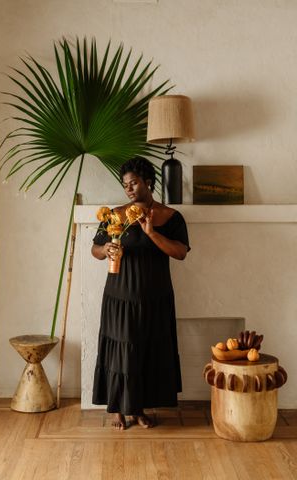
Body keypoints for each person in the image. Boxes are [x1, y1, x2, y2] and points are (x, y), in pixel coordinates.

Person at [91, 156, 190, 430]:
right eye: (125, 185)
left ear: (148, 182)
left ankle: (139, 409)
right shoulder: (116, 215)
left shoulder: (171, 217)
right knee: (120, 352)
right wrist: (106, 250)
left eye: (133, 183)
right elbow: (95, 250)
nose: (129, 189)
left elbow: (180, 252)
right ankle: (117, 410)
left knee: (147, 352)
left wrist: (152, 233)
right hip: (120, 297)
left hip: (155, 297)